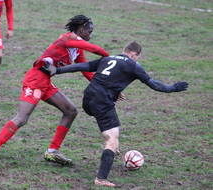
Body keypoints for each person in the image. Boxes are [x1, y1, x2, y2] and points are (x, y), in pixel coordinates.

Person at [43, 41, 189, 187]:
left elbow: (83, 66)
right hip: (102, 103)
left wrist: (57, 70)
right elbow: (153, 84)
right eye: (137, 57)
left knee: (113, 131)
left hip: (88, 100)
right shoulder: (133, 65)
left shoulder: (107, 59)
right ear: (134, 54)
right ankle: (101, 178)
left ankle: (114, 147)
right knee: (111, 141)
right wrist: (172, 88)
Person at [0, 15, 110, 171]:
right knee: (22, 118)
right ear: (81, 30)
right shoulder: (67, 38)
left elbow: (86, 70)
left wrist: (105, 86)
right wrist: (112, 58)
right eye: (89, 31)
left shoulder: (77, 49)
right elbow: (94, 49)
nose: (90, 34)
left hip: (45, 81)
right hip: (35, 79)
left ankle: (53, 151)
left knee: (71, 111)